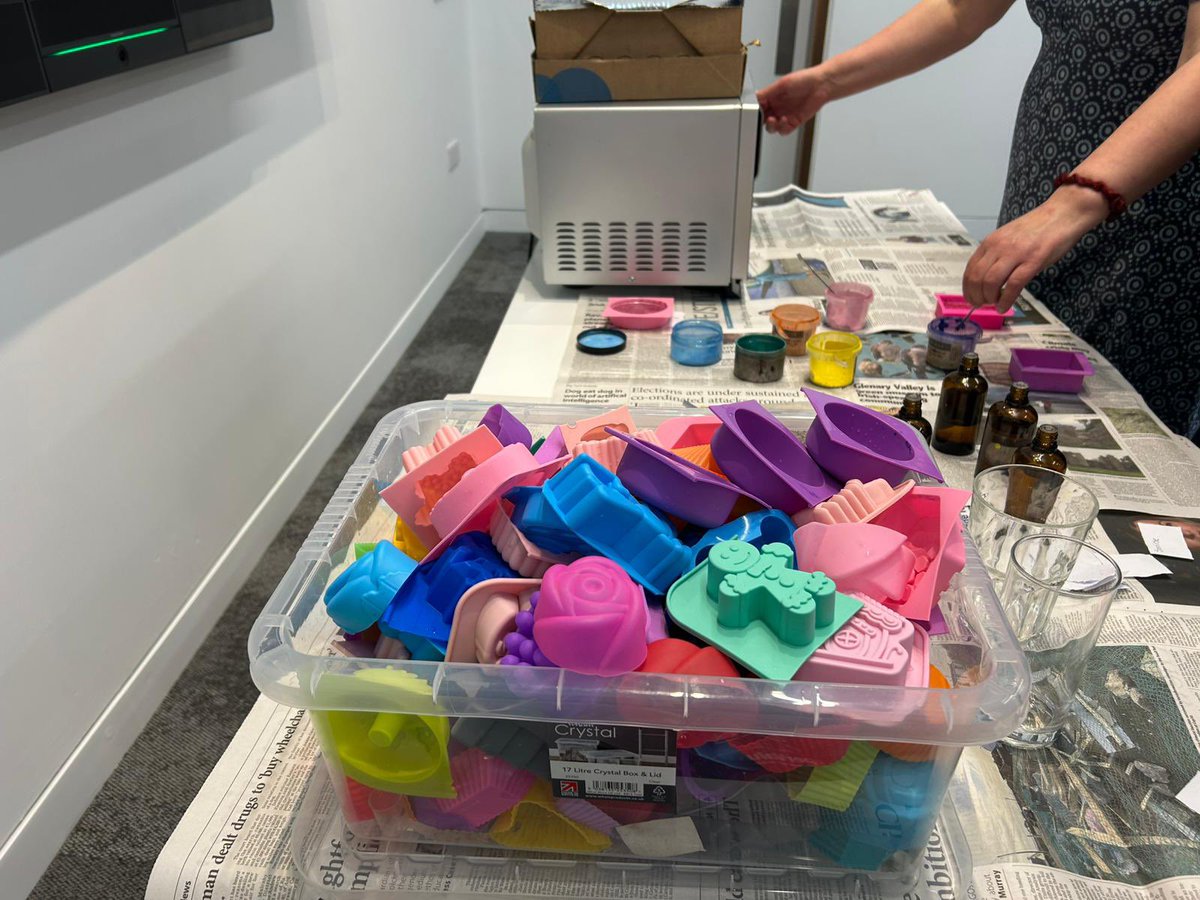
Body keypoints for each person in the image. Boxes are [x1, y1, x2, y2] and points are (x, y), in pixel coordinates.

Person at [759, 0, 1200, 438]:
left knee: (1113, 394)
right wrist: (827, 81)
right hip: (1051, 174)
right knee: (1024, 362)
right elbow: (959, 10)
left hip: (1148, 198)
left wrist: (1073, 204)